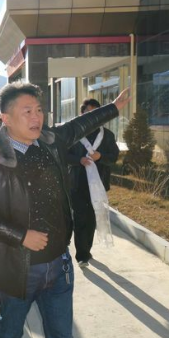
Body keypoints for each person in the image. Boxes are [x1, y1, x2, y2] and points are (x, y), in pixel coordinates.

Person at [0, 83, 131, 338]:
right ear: (5, 118)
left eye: (39, 110)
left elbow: (80, 124)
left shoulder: (51, 142)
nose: (36, 117)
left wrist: (113, 108)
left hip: (59, 264)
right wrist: (20, 236)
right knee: (9, 333)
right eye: (27, 111)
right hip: (19, 269)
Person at [67, 99, 120, 267]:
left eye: (96, 113)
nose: (93, 117)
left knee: (91, 219)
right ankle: (81, 255)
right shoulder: (73, 135)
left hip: (98, 184)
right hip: (77, 183)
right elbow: (64, 156)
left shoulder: (107, 135)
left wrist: (101, 157)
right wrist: (79, 160)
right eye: (89, 113)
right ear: (82, 114)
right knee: (80, 217)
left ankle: (86, 250)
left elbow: (114, 157)